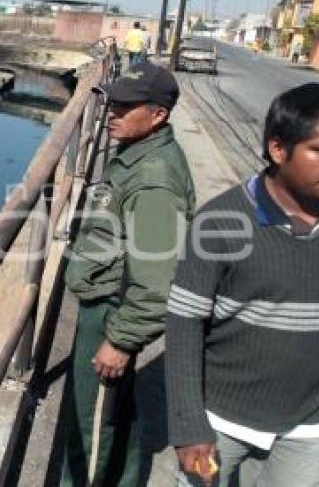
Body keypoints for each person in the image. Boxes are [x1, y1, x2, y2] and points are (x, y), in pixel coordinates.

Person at [166, 83, 319, 486]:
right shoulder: (219, 223)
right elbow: (184, 325)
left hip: (311, 422)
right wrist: (189, 425)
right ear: (278, 149)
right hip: (218, 423)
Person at [64, 62, 196, 486]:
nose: (112, 113)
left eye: (126, 106)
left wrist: (120, 340)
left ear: (158, 115)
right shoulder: (138, 153)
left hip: (112, 312)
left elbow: (158, 281)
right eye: (111, 103)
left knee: (91, 428)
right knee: (113, 415)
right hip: (108, 303)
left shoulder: (153, 179)